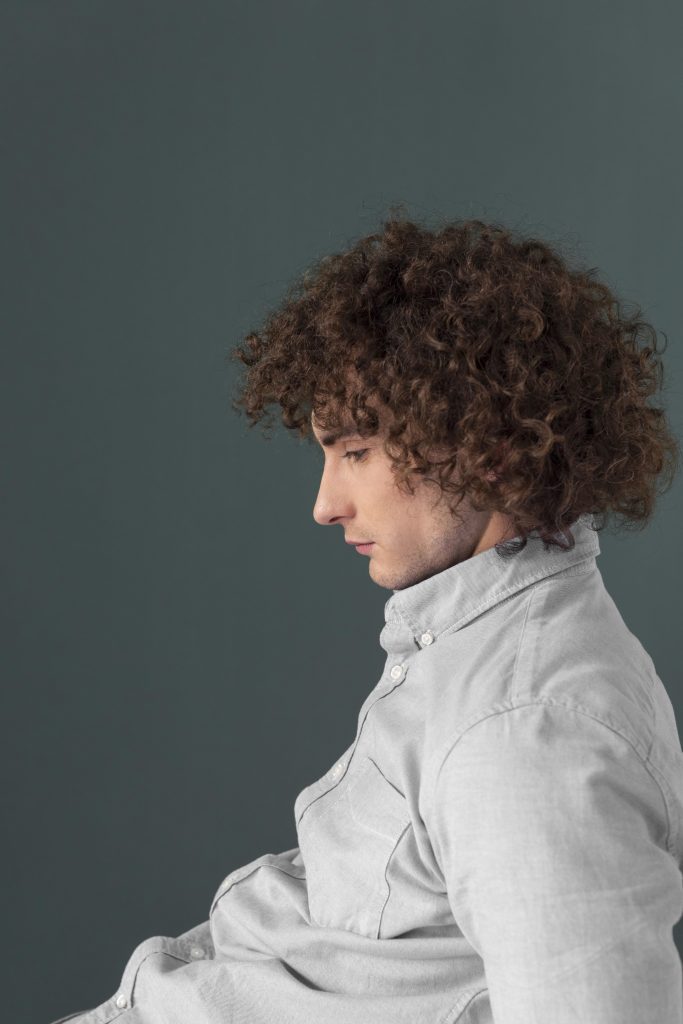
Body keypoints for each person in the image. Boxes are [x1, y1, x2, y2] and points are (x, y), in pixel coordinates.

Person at [52, 214, 683, 1024]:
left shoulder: (525, 731)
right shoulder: (476, 651)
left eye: (353, 452)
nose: (323, 505)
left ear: (484, 448)